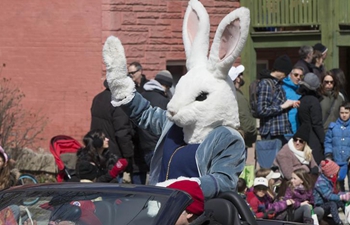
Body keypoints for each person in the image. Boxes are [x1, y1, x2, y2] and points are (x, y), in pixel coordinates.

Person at [102, 1, 249, 199]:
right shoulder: (174, 126)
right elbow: (145, 114)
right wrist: (120, 85)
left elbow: (222, 180)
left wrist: (181, 188)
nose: (174, 107)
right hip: (163, 211)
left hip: (197, 215)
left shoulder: (227, 139)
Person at [90, 80, 135, 180]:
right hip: (114, 153)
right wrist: (128, 155)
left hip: (99, 150)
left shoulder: (97, 98)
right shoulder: (118, 102)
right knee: (114, 188)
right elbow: (122, 131)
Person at [257, 55, 299, 145]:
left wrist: (289, 105)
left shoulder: (278, 84)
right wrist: (283, 106)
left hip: (280, 132)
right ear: (281, 70)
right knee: (270, 159)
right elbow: (262, 110)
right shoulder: (266, 84)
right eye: (286, 73)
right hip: (270, 133)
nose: (286, 76)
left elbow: (279, 106)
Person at [140, 70, 174, 167]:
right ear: (167, 86)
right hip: (158, 146)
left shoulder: (142, 95)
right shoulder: (164, 100)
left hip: (143, 144)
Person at [297, 72, 325, 164]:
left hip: (303, 136)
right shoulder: (314, 101)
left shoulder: (301, 100)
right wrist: (324, 141)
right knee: (315, 167)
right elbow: (317, 124)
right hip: (313, 139)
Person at [229, 65, 257, 149]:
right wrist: (252, 131)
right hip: (240, 140)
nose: (242, 76)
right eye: (241, 74)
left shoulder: (231, 93)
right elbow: (244, 117)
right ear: (237, 79)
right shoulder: (237, 96)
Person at [314, 160, 350, 225]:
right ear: (331, 174)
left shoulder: (329, 180)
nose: (338, 175)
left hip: (327, 202)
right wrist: (341, 197)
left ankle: (349, 218)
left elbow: (335, 192)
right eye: (336, 173)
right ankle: (338, 222)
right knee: (332, 204)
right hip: (319, 206)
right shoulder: (320, 182)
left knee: (342, 202)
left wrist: (344, 195)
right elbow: (329, 196)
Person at [324, 102, 350, 191]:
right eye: (342, 113)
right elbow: (328, 142)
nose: (344, 115)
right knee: (338, 184)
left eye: (346, 113)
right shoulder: (333, 127)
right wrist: (328, 154)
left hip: (348, 160)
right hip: (336, 159)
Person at [282, 66, 304, 135]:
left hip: (298, 128)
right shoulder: (282, 88)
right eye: (296, 75)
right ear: (290, 75)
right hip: (286, 129)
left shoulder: (300, 90)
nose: (298, 77)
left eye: (301, 76)